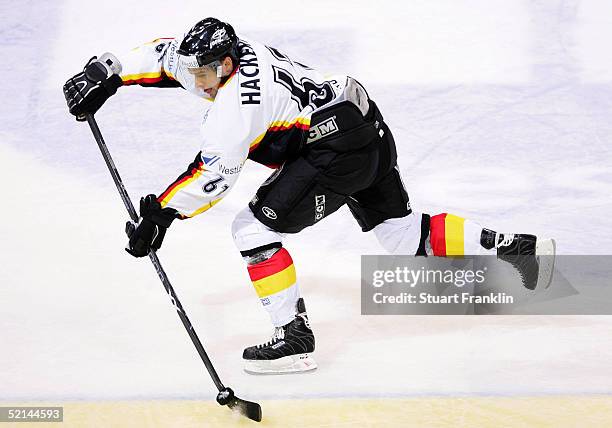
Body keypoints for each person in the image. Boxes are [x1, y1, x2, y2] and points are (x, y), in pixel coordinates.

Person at [63, 18, 555, 374]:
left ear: (227, 65)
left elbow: (213, 175)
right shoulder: (229, 54)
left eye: (205, 75)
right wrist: (108, 72)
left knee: (250, 228)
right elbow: (166, 54)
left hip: (335, 146)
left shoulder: (235, 106)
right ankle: (518, 248)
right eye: (195, 73)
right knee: (403, 237)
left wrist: (162, 215)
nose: (196, 82)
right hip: (361, 118)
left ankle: (293, 339)